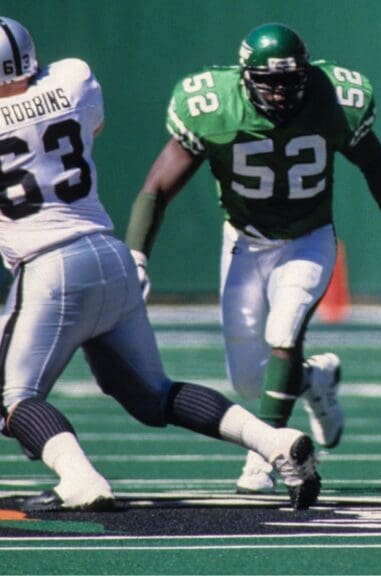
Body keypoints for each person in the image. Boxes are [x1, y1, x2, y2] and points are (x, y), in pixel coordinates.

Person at [0, 17, 319, 511]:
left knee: (12, 396)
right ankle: (274, 442)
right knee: (151, 395)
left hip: (49, 266)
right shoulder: (73, 79)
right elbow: (87, 126)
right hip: (109, 255)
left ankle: (81, 480)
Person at [125, 23, 381, 495]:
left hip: (309, 237)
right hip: (244, 239)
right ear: (245, 78)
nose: (280, 91)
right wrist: (137, 254)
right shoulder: (213, 107)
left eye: (289, 79)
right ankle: (315, 378)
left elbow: (375, 162)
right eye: (268, 81)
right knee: (246, 379)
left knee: (282, 332)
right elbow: (158, 186)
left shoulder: (335, 99)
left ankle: (266, 454)